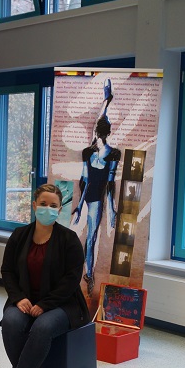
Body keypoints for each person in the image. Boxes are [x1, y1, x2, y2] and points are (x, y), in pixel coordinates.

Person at [0, 183, 90, 368]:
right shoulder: (19, 236)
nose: (47, 209)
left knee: (42, 327)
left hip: (63, 304)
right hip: (24, 301)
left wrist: (45, 304)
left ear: (59, 210)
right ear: (34, 205)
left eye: (53, 205)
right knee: (10, 322)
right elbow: (7, 271)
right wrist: (18, 298)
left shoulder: (69, 240)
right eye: (43, 204)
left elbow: (72, 280)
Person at [72, 78, 121, 297]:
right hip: (91, 198)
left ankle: (89, 275)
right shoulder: (89, 152)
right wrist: (79, 206)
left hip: (96, 200)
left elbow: (109, 185)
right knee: (86, 239)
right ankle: (86, 274)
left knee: (91, 239)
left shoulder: (111, 154)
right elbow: (86, 181)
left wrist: (111, 211)